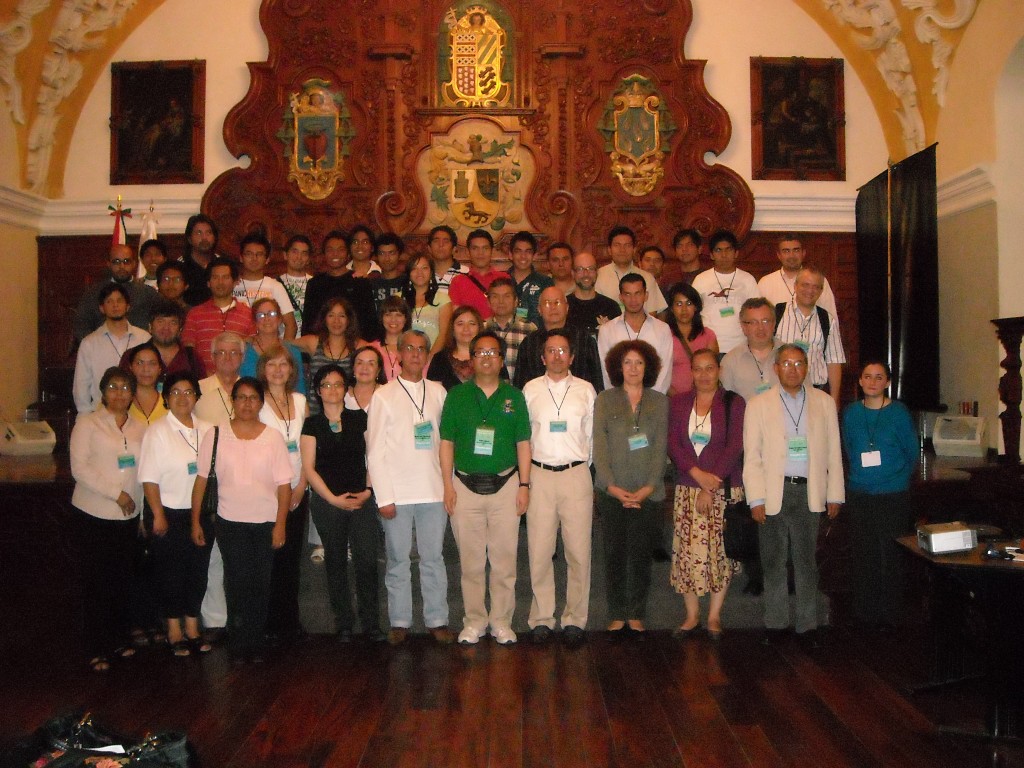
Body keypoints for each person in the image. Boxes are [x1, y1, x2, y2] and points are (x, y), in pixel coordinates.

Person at [743, 344, 844, 649]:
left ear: (807, 367)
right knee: (773, 562)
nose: (793, 369)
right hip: (774, 492)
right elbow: (753, 456)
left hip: (809, 491)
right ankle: (775, 625)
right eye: (786, 363)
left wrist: (835, 494)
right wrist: (756, 499)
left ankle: (807, 626)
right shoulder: (758, 404)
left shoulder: (824, 402)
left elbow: (833, 454)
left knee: (806, 563)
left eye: (799, 364)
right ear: (776, 368)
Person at [439, 330, 532, 646]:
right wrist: (447, 485)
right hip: (464, 486)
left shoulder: (514, 397)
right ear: (472, 358)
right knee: (471, 562)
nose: (488, 358)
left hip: (506, 486)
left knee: (505, 562)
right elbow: (446, 443)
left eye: (493, 352)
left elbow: (523, 443)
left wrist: (524, 484)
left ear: (501, 357)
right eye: (481, 352)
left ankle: (502, 621)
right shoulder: (457, 396)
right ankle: (474, 621)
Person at [191, 377, 292, 663]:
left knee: (260, 583)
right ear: (233, 401)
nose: (247, 403)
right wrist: (195, 520)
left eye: (253, 398)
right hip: (229, 522)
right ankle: (238, 644)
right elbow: (201, 481)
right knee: (236, 583)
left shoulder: (272, 437)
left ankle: (255, 643)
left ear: (261, 403)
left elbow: (284, 485)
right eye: (242, 398)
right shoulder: (216, 434)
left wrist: (281, 524)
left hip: (265, 523)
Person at [366, 330, 454, 646]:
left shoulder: (439, 391)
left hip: (433, 490)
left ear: (428, 354)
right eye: (409, 348)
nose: (415, 354)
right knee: (398, 560)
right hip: (397, 494)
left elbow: (448, 443)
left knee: (433, 558)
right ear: (399, 354)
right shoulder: (383, 395)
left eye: (421, 349)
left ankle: (437, 619)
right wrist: (384, 497)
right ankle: (400, 621)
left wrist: (449, 485)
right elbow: (374, 451)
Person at [522, 329, 597, 647]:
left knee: (579, 552)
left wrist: (580, 465)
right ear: (542, 357)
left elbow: (591, 436)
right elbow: (523, 436)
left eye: (563, 350)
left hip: (576, 474)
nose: (557, 355)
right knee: (539, 550)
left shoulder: (585, 390)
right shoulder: (529, 389)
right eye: (551, 351)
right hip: (539, 475)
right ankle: (541, 618)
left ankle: (575, 619)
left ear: (572, 356)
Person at [70, 366, 147, 671]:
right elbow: (80, 469)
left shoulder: (139, 427)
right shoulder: (88, 423)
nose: (119, 393)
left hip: (128, 517)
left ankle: (118, 638)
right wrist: (117, 494)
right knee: (96, 583)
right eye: (113, 387)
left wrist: (140, 511)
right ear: (102, 392)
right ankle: (95, 646)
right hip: (94, 513)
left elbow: (142, 475)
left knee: (122, 581)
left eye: (125, 388)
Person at [301, 365, 384, 644]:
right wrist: (332, 499)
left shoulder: (360, 418)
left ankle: (371, 622)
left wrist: (369, 490)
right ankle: (344, 622)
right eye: (326, 385)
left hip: (361, 499)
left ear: (346, 389)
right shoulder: (311, 424)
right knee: (335, 560)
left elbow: (373, 457)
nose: (332, 390)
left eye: (338, 384)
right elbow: (309, 469)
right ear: (318, 391)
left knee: (366, 559)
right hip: (328, 502)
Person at [667, 349, 745, 640]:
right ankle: (691, 615)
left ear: (719, 370)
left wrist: (710, 484)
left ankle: (714, 616)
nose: (703, 374)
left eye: (709, 368)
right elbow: (673, 443)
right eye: (697, 369)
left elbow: (736, 445)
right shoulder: (679, 402)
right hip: (688, 486)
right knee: (687, 552)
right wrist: (698, 476)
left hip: (723, 486)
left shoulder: (734, 402)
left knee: (719, 553)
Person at [593, 340, 669, 638]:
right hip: (611, 491)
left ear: (647, 367)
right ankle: (616, 612)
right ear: (617, 367)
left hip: (649, 492)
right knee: (613, 553)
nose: (633, 368)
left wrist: (648, 487)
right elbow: (599, 447)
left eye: (639, 362)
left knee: (640, 554)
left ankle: (636, 613)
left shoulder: (659, 401)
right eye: (627, 362)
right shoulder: (605, 399)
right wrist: (612, 486)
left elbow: (661, 447)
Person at [138, 371, 214, 657]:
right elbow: (148, 477)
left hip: (200, 513)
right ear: (166, 398)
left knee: (197, 571)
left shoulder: (208, 429)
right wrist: (157, 514)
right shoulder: (157, 431)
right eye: (175, 393)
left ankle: (193, 627)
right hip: (167, 511)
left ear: (196, 397)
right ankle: (173, 630)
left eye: (188, 392)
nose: (183, 398)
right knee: (170, 573)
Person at [841, 360, 918, 629]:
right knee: (865, 553)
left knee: (891, 554)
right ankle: (865, 612)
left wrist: (894, 479)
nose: (872, 382)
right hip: (860, 494)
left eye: (879, 377)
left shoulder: (899, 413)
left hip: (892, 494)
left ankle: (890, 613)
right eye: (867, 376)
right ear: (860, 381)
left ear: (887, 382)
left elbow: (912, 452)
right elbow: (849, 450)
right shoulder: (850, 413)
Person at [191, 331, 245, 638]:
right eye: (221, 353)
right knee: (212, 556)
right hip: (211, 482)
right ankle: (214, 620)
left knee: (238, 557)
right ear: (212, 358)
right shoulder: (198, 392)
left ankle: (240, 616)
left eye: (234, 353)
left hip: (244, 483)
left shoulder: (251, 389)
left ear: (242, 357)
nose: (227, 358)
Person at [256, 345, 310, 645]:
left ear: (292, 370)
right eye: (271, 364)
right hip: (267, 492)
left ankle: (290, 621)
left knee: (291, 560)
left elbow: (305, 447)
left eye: (283, 364)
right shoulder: (257, 402)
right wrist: (280, 490)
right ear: (263, 369)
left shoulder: (301, 401)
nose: (277, 370)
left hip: (298, 491)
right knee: (270, 559)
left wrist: (301, 484)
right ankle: (268, 622)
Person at [773, 267, 845, 410]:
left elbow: (834, 361)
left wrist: (834, 400)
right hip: (781, 393)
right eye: (805, 285)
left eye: (815, 287)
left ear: (821, 290)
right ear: (795, 286)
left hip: (816, 393)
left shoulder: (827, 320)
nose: (810, 291)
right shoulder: (777, 313)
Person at [74, 283, 151, 414]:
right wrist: (86, 417)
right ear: (102, 308)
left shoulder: (144, 338)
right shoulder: (89, 343)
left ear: (128, 306)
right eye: (109, 301)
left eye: (119, 300)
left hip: (139, 412)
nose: (115, 305)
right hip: (101, 414)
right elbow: (81, 386)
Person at [513, 286, 604, 392]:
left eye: (557, 302)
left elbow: (596, 382)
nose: (553, 307)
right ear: (539, 310)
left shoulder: (585, 340)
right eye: (547, 303)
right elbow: (520, 386)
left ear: (567, 307)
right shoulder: (529, 343)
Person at [597, 274, 673, 393]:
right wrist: (619, 399)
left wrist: (651, 399)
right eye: (628, 294)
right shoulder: (607, 330)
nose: (633, 300)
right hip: (618, 401)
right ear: (621, 297)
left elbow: (665, 372)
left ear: (646, 295)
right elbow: (607, 372)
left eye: (638, 293)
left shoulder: (662, 329)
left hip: (653, 401)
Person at [181, 256, 256, 374]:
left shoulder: (248, 314)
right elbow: (188, 350)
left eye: (225, 277)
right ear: (208, 283)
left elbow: (253, 349)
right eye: (215, 277)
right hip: (204, 381)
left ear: (235, 281)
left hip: (240, 381)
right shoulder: (195, 314)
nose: (220, 282)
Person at [691, 230, 760, 354]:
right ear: (711, 255)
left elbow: (756, 314)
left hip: (741, 346)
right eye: (718, 250)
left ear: (736, 253)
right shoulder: (700, 280)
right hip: (709, 347)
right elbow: (692, 313)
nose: (724, 255)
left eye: (728, 250)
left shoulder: (748, 279)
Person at [72, 243, 159, 341]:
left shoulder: (148, 293)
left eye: (127, 261)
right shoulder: (94, 293)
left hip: (140, 349)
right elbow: (81, 325)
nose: (122, 266)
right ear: (109, 264)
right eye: (116, 262)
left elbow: (158, 324)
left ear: (134, 264)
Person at [303, 230, 377, 342]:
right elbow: (308, 324)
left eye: (340, 250)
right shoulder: (315, 284)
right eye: (330, 250)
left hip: (355, 348)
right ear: (324, 254)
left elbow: (370, 325)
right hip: (321, 348)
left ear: (348, 254)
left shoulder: (360, 283)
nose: (335, 254)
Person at [296, 297, 366, 415]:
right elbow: (282, 344)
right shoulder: (313, 342)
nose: (336, 321)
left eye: (342, 316)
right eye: (331, 315)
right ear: (324, 319)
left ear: (349, 320)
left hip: (347, 414)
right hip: (315, 414)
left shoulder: (358, 346)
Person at [232, 232, 298, 341]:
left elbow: (291, 325)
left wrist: (283, 351)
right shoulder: (232, 286)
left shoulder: (275, 286)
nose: (254, 258)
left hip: (270, 351)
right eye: (249, 254)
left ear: (267, 259)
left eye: (259, 254)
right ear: (241, 257)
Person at [757, 234, 837, 318]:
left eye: (796, 250)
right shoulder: (766, 283)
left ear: (803, 253)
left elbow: (831, 317)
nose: (791, 256)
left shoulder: (819, 280)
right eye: (786, 251)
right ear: (779, 255)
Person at [594, 225, 667, 315]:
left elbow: (652, 313)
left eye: (627, 245)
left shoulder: (647, 277)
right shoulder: (597, 275)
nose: (622, 250)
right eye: (617, 245)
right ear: (609, 250)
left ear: (634, 249)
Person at [123, 299, 205, 379]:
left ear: (180, 329)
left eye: (173, 322)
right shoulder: (131, 356)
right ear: (150, 327)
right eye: (160, 321)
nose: (166, 328)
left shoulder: (192, 358)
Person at [240, 297, 307, 393]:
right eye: (261, 315)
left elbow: (299, 390)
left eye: (272, 314)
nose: (266, 318)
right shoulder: (244, 351)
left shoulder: (293, 352)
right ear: (255, 322)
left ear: (280, 319)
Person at [720, 297, 781, 402]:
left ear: (774, 324)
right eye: (753, 322)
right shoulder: (730, 361)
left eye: (765, 321)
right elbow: (726, 404)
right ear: (743, 326)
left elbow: (807, 396)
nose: (760, 328)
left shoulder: (792, 356)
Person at [666, 282, 718, 395]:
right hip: (673, 400)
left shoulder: (709, 335)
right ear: (671, 308)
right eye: (679, 304)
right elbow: (660, 375)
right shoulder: (663, 336)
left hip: (704, 398)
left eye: (689, 303)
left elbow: (714, 371)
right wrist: (679, 399)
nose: (684, 309)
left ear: (696, 307)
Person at [484, 276, 535, 383]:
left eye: (506, 296)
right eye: (495, 296)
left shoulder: (529, 329)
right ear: (488, 302)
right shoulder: (481, 329)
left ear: (516, 301)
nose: (501, 301)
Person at [448, 229, 505, 319]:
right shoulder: (458, 282)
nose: (480, 253)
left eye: (485, 248)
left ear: (492, 251)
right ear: (467, 252)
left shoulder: (504, 278)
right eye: (475, 248)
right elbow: (457, 317)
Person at [403, 252, 452, 353]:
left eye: (424, 268)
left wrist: (430, 359)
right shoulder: (399, 299)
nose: (419, 272)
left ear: (431, 272)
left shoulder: (443, 300)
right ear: (408, 273)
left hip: (433, 359)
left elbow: (444, 334)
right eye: (414, 268)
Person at [566, 251, 621, 339]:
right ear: (573, 273)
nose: (586, 274)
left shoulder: (611, 306)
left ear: (597, 272)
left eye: (590, 269)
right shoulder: (563, 306)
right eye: (580, 269)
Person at [426, 305, 482, 391]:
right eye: (460, 324)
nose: (466, 329)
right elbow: (433, 397)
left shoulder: (491, 356)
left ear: (479, 328)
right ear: (452, 329)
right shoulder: (439, 359)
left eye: (472, 324)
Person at [507, 231, 553, 327]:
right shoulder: (502, 280)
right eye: (518, 251)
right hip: (505, 337)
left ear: (535, 255)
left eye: (528, 252)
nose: (523, 256)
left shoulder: (545, 282)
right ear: (510, 255)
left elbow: (550, 314)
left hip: (537, 337)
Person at [276, 235, 314, 335]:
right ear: (285, 255)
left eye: (304, 253)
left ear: (309, 258)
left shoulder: (316, 283)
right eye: (294, 252)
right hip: (283, 341)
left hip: (309, 343)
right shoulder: (275, 284)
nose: (299, 257)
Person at [124, 342, 167, 426]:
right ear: (131, 367)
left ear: (159, 369)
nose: (146, 369)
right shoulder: (118, 400)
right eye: (140, 363)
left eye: (152, 363)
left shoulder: (171, 403)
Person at [179, 214, 218, 306]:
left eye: (208, 233)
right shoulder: (180, 266)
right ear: (189, 239)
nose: (204, 238)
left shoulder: (222, 265)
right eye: (199, 233)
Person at [369, 295, 411, 382]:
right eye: (388, 315)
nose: (393, 320)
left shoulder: (414, 348)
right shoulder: (371, 349)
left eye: (398, 315)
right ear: (381, 318)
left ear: (406, 318)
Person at [370, 233, 407, 316]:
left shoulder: (408, 282)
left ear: (399, 254)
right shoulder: (371, 284)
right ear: (376, 256)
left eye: (391, 253)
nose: (387, 259)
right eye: (382, 253)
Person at [427, 225, 466, 300]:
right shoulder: (421, 274)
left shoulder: (466, 274)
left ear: (454, 249)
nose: (441, 245)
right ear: (429, 248)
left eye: (446, 241)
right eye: (436, 241)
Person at [346, 345, 387, 412]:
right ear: (353, 368)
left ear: (378, 370)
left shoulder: (387, 394)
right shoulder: (342, 395)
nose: (364, 368)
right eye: (359, 363)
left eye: (371, 364)